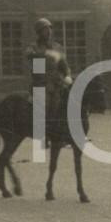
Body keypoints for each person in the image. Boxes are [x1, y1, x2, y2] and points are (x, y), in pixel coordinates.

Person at [25, 18, 72, 146]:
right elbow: (30, 56)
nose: (48, 32)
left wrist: (67, 75)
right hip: (40, 84)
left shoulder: (58, 47)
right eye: (45, 29)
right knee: (42, 111)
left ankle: (57, 137)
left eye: (50, 29)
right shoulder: (33, 47)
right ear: (39, 32)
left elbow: (64, 65)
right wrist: (48, 54)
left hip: (57, 85)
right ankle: (41, 139)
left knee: (57, 111)